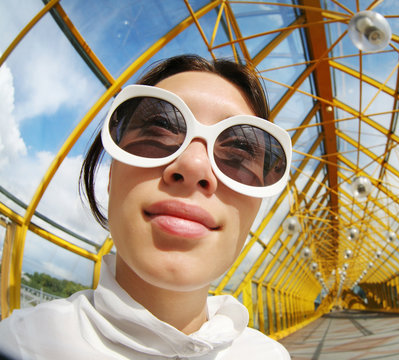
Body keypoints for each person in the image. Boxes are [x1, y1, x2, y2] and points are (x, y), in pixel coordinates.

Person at [0, 55, 292, 359]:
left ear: (256, 205)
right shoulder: (20, 345)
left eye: (240, 153)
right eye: (161, 128)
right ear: (112, 175)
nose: (193, 165)